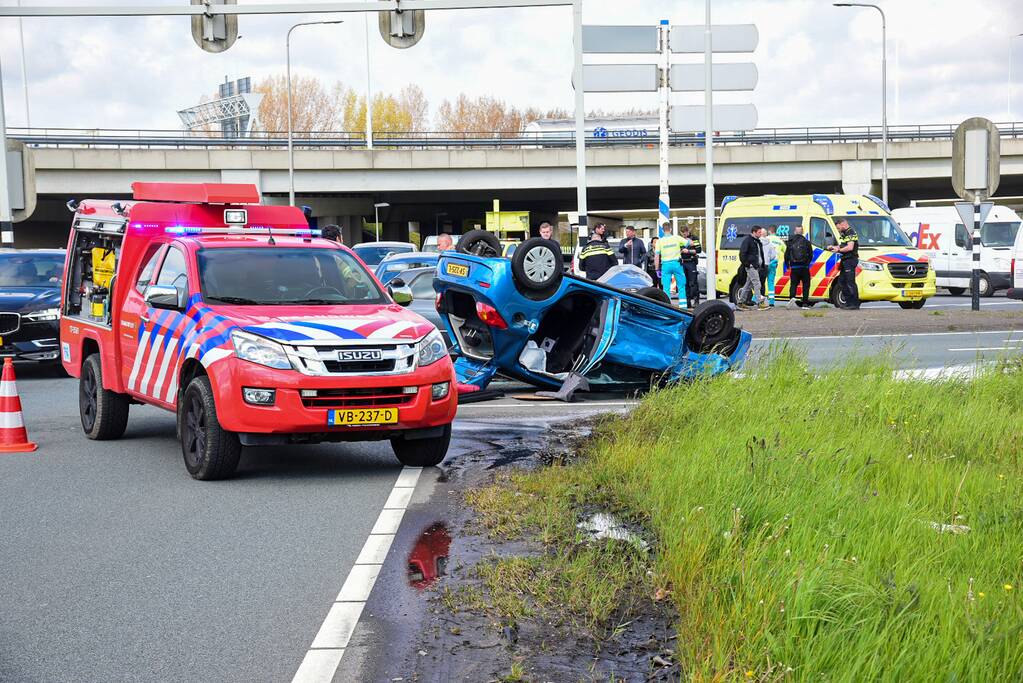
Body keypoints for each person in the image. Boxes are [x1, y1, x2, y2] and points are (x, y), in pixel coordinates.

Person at [828, 217, 860, 309]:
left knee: (850, 282)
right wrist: (834, 247)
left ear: (843, 224)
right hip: (845, 260)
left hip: (850, 259)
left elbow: (850, 247)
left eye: (838, 228)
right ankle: (849, 302)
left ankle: (854, 304)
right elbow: (843, 245)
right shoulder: (845, 233)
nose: (838, 230)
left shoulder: (850, 232)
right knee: (842, 282)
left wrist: (839, 249)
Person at [655, 223, 688, 307]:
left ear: (662, 230)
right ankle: (683, 307)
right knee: (681, 286)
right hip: (677, 264)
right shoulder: (677, 238)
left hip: (665, 265)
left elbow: (656, 256)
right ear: (670, 229)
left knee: (666, 287)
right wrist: (683, 247)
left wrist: (657, 269)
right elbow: (688, 243)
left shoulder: (659, 241)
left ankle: (667, 306)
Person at [737, 225, 768, 310]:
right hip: (751, 266)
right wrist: (747, 264)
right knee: (757, 284)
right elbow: (742, 254)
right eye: (759, 232)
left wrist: (762, 265)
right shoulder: (748, 241)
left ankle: (740, 302)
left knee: (748, 285)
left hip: (756, 266)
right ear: (754, 232)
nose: (760, 234)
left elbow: (759, 255)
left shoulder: (757, 241)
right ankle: (759, 303)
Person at [784, 225, 813, 307]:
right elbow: (811, 255)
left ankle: (792, 297)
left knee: (793, 284)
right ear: (802, 232)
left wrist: (788, 265)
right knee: (806, 285)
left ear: (795, 232)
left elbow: (786, 255)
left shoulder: (790, 242)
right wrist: (807, 263)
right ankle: (805, 303)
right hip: (804, 268)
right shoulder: (807, 242)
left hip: (794, 268)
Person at [679, 225, 702, 307]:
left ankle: (696, 300)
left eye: (685, 233)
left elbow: (699, 250)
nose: (684, 235)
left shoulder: (694, 238)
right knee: (685, 283)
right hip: (683, 262)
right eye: (683, 234)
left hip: (691, 262)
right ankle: (687, 302)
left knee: (693, 283)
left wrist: (688, 251)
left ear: (688, 231)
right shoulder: (679, 239)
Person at [764, 226, 786, 306]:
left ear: (769, 231)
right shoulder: (780, 240)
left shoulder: (766, 239)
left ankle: (756, 299)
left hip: (765, 263)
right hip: (774, 263)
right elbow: (785, 251)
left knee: (760, 281)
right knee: (771, 282)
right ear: (776, 231)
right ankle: (771, 301)